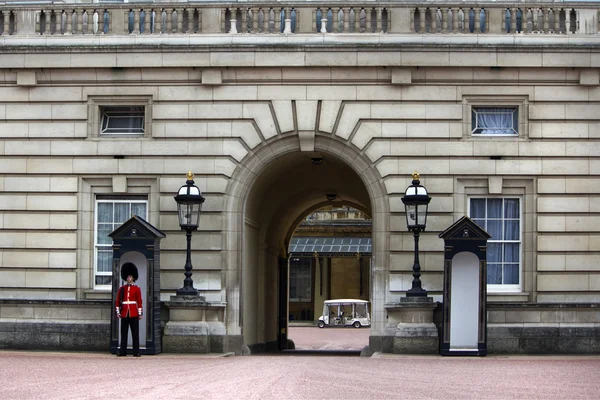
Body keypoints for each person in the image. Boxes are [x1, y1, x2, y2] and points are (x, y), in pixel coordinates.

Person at [115, 262, 143, 357]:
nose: (129, 279)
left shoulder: (137, 289)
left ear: (133, 278)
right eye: (127, 277)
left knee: (135, 334)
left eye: (130, 277)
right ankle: (123, 351)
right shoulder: (122, 289)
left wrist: (140, 313)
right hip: (124, 313)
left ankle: (136, 351)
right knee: (124, 334)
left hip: (133, 313)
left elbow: (139, 302)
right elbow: (118, 300)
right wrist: (118, 312)